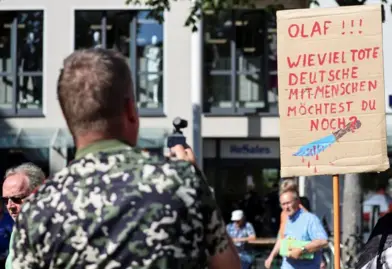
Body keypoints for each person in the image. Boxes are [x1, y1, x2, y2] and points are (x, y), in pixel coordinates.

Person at [10, 49, 240, 269]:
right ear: (131, 110)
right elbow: (227, 264)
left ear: (68, 118)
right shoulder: (180, 182)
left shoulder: (38, 207)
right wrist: (196, 178)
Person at [2, 162, 46, 269]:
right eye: (5, 200)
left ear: (38, 194)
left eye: (17, 199)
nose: (10, 206)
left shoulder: (49, 231)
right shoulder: (19, 229)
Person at [278, 188, 328, 269]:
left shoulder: (310, 219)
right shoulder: (286, 220)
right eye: (283, 204)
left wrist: (302, 250)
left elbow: (323, 241)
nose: (286, 207)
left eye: (288, 203)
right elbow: (281, 241)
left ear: (297, 202)